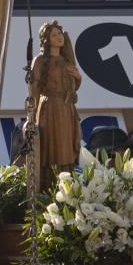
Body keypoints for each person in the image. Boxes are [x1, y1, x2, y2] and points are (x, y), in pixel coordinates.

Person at [29, 21, 82, 194]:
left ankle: (67, 188)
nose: (59, 37)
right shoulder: (39, 61)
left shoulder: (67, 60)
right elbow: (34, 90)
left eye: (59, 33)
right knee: (50, 149)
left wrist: (78, 78)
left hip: (66, 109)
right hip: (48, 109)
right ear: (46, 40)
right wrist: (31, 116)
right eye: (54, 35)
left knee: (67, 150)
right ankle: (48, 188)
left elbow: (73, 87)